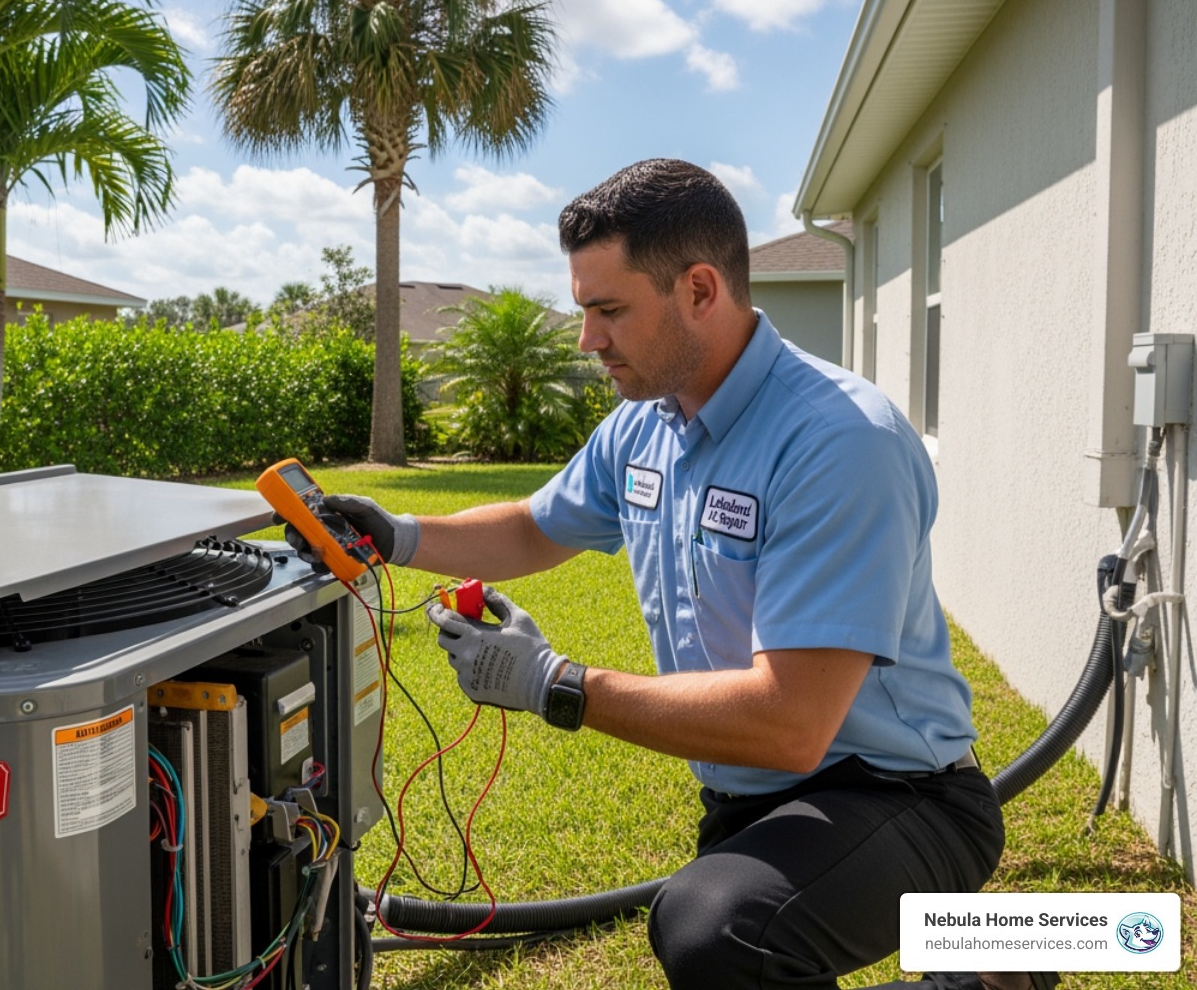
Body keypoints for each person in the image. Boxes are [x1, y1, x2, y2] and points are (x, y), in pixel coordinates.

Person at [293, 160, 1051, 990]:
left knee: (714, 929)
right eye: (585, 310)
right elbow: (533, 527)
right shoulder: (644, 427)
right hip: (754, 802)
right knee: (726, 924)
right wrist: (397, 534)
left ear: (699, 290)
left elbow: (791, 722)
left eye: (609, 310)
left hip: (899, 795)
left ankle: (986, 969)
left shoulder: (838, 441)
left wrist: (554, 684)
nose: (587, 340)